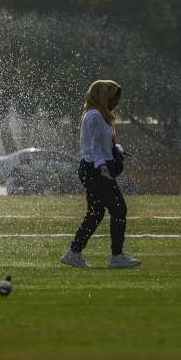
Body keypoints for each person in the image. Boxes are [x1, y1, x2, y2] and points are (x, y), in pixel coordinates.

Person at [61, 80, 139, 269]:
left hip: (94, 168)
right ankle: (117, 256)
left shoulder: (99, 115)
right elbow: (94, 146)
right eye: (114, 99)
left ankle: (74, 252)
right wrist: (102, 166)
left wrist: (116, 149)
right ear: (104, 97)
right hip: (96, 170)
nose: (117, 103)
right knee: (119, 209)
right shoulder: (95, 115)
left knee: (96, 213)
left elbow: (102, 144)